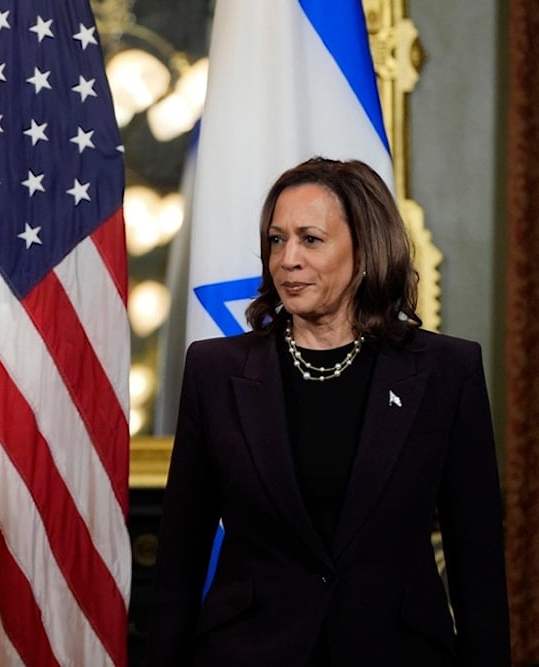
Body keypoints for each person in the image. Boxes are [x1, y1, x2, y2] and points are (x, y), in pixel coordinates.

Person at [145, 157, 509, 665]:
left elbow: (478, 565)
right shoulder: (215, 369)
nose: (287, 259)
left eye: (310, 239)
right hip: (249, 652)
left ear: (364, 250)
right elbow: (180, 559)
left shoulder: (447, 370)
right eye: (276, 239)